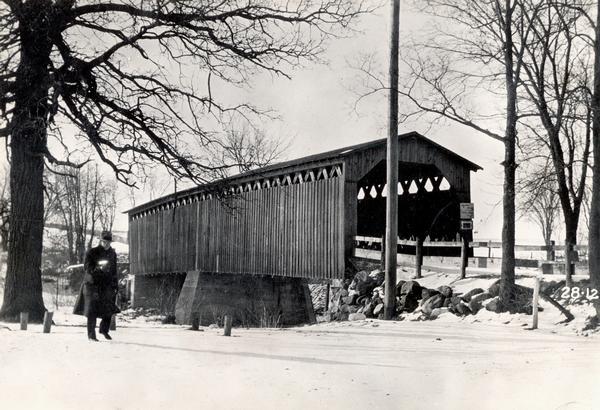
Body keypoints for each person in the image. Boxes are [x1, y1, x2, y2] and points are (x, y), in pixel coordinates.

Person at [73, 230, 120, 341]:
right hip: (92, 285)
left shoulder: (112, 254)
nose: (106, 244)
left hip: (106, 285)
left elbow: (114, 270)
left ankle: (104, 330)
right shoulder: (92, 252)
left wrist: (115, 284)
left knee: (109, 309)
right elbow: (87, 267)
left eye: (108, 242)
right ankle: (91, 335)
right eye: (104, 241)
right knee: (92, 311)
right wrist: (98, 269)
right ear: (100, 241)